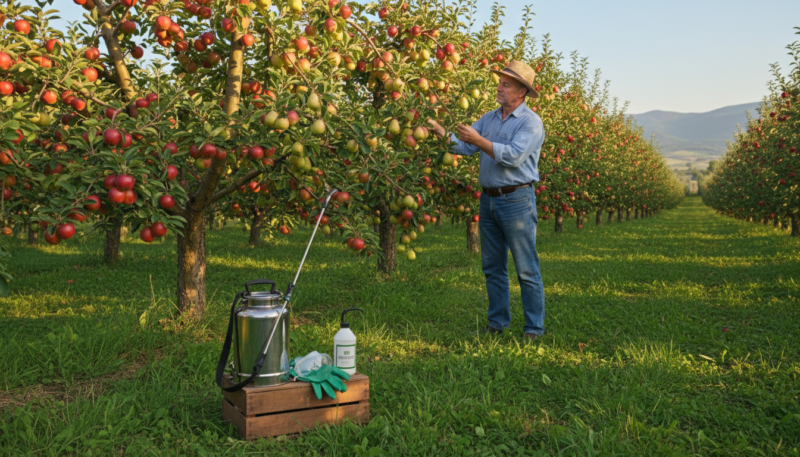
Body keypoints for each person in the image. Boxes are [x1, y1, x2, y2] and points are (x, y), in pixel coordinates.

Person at [428, 60, 546, 339]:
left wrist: (479, 141)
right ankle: (497, 325)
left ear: (522, 92)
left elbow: (513, 156)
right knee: (493, 267)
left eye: (506, 84)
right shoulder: (489, 118)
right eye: (500, 82)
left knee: (526, 269)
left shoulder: (531, 123)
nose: (500, 87)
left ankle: (533, 329)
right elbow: (465, 146)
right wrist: (438, 130)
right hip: (489, 199)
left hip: (517, 199)